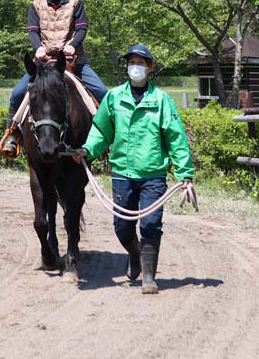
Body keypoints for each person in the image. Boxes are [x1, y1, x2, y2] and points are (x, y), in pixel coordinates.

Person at [73, 44, 195, 294]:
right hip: (122, 174)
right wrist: (87, 150)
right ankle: (135, 254)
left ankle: (148, 277)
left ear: (149, 67)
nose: (135, 67)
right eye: (131, 63)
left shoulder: (161, 101)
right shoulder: (114, 98)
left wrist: (185, 174)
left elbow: (176, 138)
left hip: (153, 175)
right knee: (122, 227)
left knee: (151, 224)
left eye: (140, 63)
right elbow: (101, 132)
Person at [4, 0, 107, 135]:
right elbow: (33, 30)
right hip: (44, 61)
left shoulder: (76, 2)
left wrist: (73, 45)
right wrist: (39, 48)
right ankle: (12, 136)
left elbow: (82, 28)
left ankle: (109, 137)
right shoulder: (35, 5)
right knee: (17, 94)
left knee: (103, 92)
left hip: (73, 60)